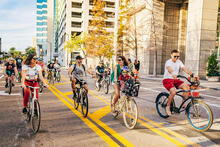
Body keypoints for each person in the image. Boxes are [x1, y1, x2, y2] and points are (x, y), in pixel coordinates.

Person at [163, 49, 194, 116]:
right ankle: (168, 106)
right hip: (167, 80)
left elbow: (184, 68)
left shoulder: (179, 62)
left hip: (175, 79)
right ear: (171, 55)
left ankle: (183, 102)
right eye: (175, 56)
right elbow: (169, 68)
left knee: (187, 87)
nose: (176, 58)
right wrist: (173, 73)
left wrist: (192, 74)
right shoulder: (168, 62)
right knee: (173, 92)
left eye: (178, 56)